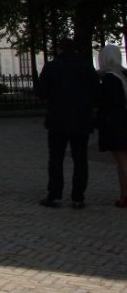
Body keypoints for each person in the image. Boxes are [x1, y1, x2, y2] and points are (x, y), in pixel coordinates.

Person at [35, 37, 100, 208]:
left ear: (59, 50)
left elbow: (41, 92)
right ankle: (78, 197)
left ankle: (55, 195)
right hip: (81, 119)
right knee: (80, 159)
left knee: (56, 158)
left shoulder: (51, 67)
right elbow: (97, 93)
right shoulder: (86, 67)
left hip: (58, 119)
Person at [95, 45, 127, 208]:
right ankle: (123, 194)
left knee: (122, 160)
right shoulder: (124, 74)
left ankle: (125, 194)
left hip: (118, 123)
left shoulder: (110, 78)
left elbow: (108, 103)